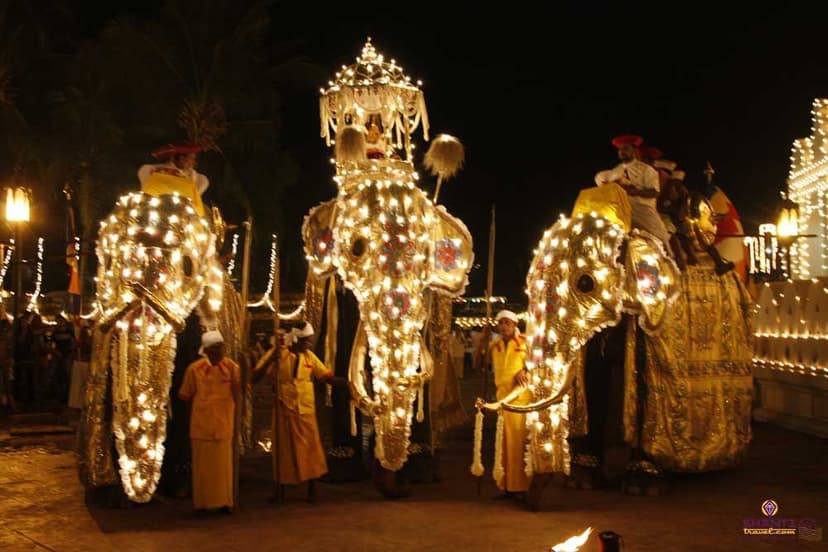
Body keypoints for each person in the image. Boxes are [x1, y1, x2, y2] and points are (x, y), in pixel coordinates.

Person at [252, 322, 333, 502]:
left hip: (306, 409)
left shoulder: (309, 357)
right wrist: (272, 358)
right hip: (284, 409)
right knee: (284, 451)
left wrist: (348, 385)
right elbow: (255, 376)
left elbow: (326, 376)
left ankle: (312, 489)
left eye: (309, 341)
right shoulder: (278, 355)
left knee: (311, 450)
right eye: (305, 341)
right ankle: (279, 490)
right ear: (295, 339)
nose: (308, 344)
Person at [177, 330, 240, 514]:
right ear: (208, 350)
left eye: (222, 347)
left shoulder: (232, 368)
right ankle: (203, 505)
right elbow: (185, 396)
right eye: (216, 348)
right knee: (203, 470)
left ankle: (224, 502)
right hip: (201, 426)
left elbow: (239, 394)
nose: (221, 351)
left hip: (223, 425)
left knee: (223, 468)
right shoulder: (194, 369)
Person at [473, 310, 530, 499]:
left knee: (517, 444)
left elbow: (538, 362)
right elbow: (477, 363)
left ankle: (520, 487)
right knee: (502, 445)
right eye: (501, 323)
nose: (504, 326)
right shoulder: (494, 345)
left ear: (514, 324)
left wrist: (525, 369)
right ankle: (506, 486)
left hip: (520, 400)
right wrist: (482, 340)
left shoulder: (524, 342)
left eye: (507, 323)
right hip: (502, 400)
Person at [594, 135, 671, 246]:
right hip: (621, 214)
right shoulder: (615, 170)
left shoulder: (646, 169)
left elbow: (655, 192)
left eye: (625, 148)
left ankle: (671, 261)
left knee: (661, 240)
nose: (621, 152)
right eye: (620, 149)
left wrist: (634, 192)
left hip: (644, 212)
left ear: (634, 150)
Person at [138, 142, 209, 217]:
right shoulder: (151, 170)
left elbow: (197, 193)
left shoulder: (196, 177)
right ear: (181, 159)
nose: (194, 163)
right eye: (192, 158)